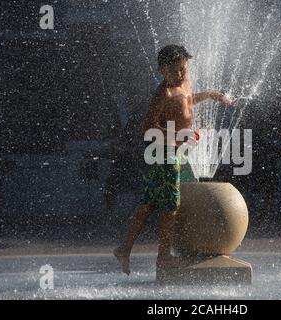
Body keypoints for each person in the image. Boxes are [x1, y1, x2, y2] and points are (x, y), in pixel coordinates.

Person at [113, 45, 232, 274]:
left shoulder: (183, 84)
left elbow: (186, 102)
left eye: (184, 69)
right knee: (170, 204)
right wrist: (178, 137)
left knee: (149, 202)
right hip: (164, 151)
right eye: (176, 71)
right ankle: (163, 257)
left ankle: (124, 249)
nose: (181, 74)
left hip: (173, 150)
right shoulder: (162, 93)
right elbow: (148, 126)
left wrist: (208, 95)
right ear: (162, 71)